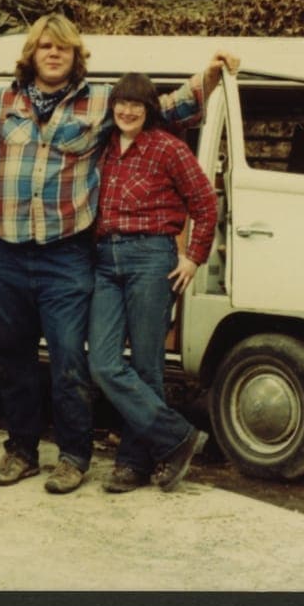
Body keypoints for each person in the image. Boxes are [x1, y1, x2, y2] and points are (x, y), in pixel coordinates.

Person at [0, 15, 237, 494]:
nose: (53, 54)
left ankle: (73, 456)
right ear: (32, 54)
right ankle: (20, 452)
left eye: (62, 47)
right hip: (7, 252)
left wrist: (208, 76)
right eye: (44, 47)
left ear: (75, 54)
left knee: (69, 362)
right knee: (12, 359)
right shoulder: (3, 102)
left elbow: (163, 109)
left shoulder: (102, 101)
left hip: (67, 255)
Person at [88, 73, 218, 493]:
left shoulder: (168, 147)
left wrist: (194, 256)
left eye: (137, 105)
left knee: (147, 366)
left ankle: (133, 463)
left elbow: (204, 200)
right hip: (104, 258)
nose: (127, 111)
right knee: (104, 362)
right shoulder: (103, 147)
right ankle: (176, 437)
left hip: (151, 257)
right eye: (121, 103)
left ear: (148, 111)